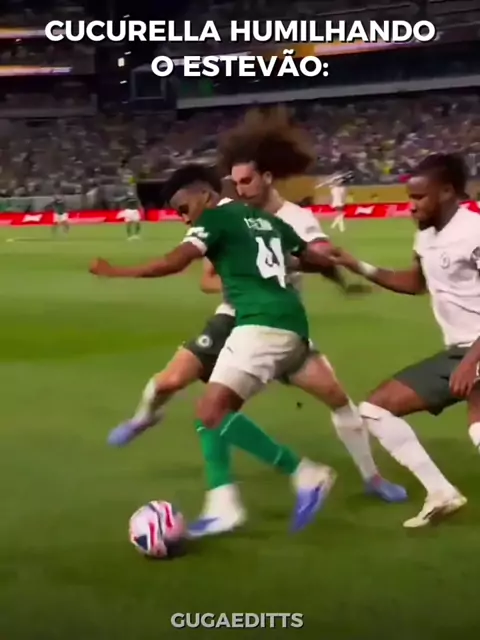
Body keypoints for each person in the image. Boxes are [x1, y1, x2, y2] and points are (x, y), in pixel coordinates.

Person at [90, 163, 341, 534]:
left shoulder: (216, 218)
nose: (183, 218)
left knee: (212, 411)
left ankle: (305, 474)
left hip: (259, 324)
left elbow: (174, 262)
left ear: (205, 195)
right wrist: (342, 277)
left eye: (183, 209)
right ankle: (223, 504)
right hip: (290, 323)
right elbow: (314, 259)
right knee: (210, 410)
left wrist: (116, 273)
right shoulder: (265, 219)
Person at [331, 153, 471, 527]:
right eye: (409, 198)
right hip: (460, 351)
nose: (412, 206)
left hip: (475, 349)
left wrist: (473, 361)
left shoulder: (474, 233)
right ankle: (441, 493)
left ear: (447, 192)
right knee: (376, 409)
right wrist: (356, 265)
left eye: (419, 198)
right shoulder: (425, 236)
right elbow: (414, 283)